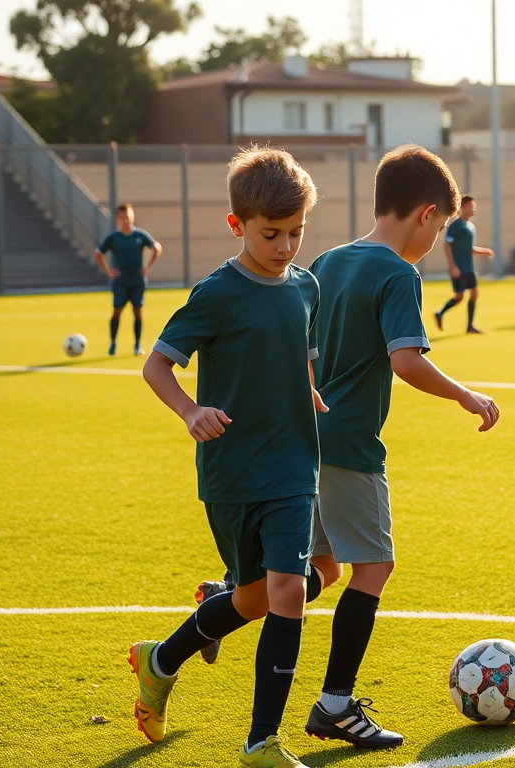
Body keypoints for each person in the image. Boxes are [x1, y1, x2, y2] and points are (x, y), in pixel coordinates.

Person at [301, 145, 500, 749]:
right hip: (351, 444)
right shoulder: (398, 273)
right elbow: (406, 361)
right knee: (374, 567)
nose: (437, 240)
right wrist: (466, 395)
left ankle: (229, 600)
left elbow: (301, 350)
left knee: (321, 568)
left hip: (306, 440)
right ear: (427, 213)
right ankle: (335, 704)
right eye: (440, 228)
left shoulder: (328, 261)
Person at [131, 147, 325, 768]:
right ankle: (160, 660)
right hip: (233, 473)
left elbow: (295, 350)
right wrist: (191, 411)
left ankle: (262, 741)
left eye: (296, 232)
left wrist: (308, 387)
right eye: (272, 234)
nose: (286, 246)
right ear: (237, 225)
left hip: (295, 466)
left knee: (288, 590)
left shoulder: (307, 287)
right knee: (251, 599)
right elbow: (156, 365)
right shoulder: (216, 294)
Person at [95, 203, 162, 356]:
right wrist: (108, 271)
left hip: (137, 281)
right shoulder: (113, 238)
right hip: (120, 282)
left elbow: (156, 248)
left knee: (137, 311)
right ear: (118, 219)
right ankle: (113, 343)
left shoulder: (140, 236)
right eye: (123, 217)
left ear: (132, 217)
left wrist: (148, 268)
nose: (126, 220)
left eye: (128, 216)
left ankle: (137, 345)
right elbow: (98, 253)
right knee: (117, 311)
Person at [433, 195, 494, 334]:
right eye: (470, 206)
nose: (473, 209)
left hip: (469, 268)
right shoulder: (456, 225)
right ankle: (440, 313)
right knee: (459, 297)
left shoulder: (470, 227)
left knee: (474, 293)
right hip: (458, 268)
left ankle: (470, 326)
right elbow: (447, 245)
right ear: (462, 207)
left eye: (474, 206)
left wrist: (484, 251)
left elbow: (469, 248)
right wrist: (452, 266)